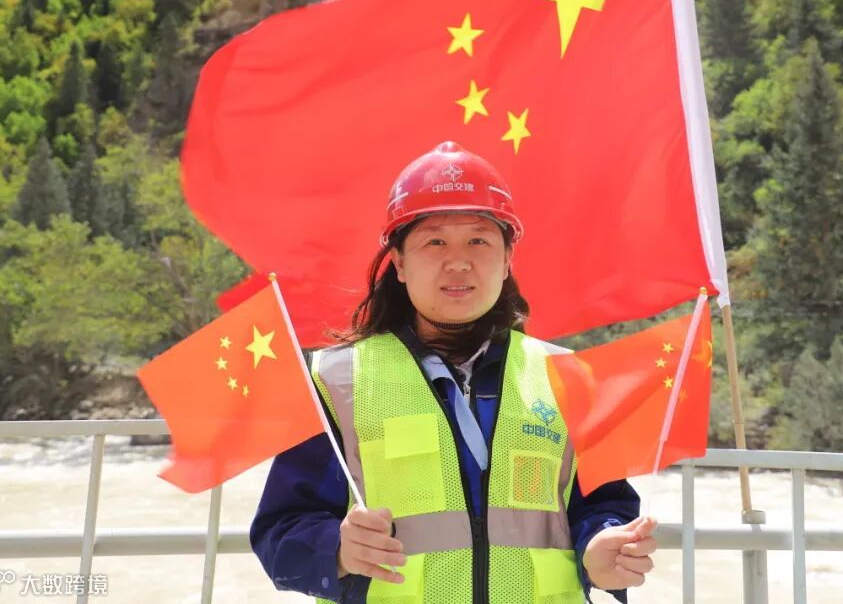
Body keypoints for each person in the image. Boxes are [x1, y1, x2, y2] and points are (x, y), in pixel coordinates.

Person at [250, 141, 657, 603]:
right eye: (435, 241)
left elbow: (603, 507)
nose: (458, 260)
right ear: (400, 263)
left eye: (479, 240)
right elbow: (281, 531)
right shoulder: (338, 381)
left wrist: (602, 548)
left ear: (507, 259)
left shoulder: (568, 377)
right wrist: (337, 549)